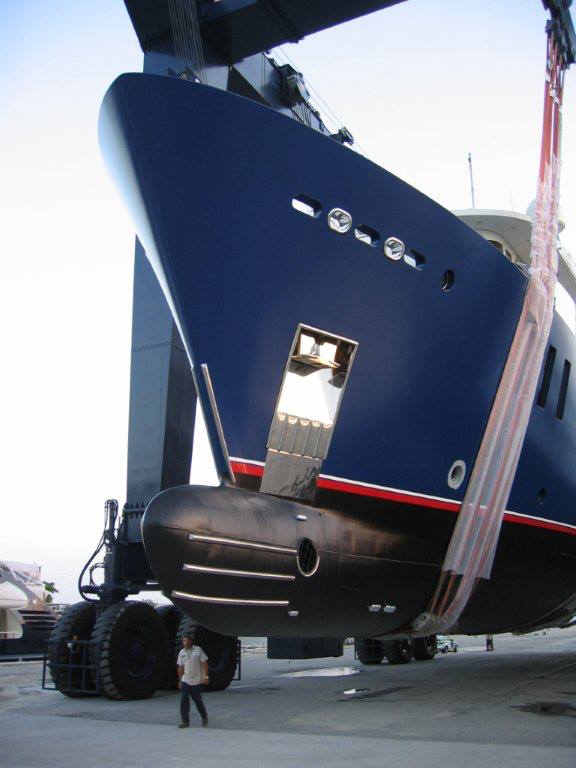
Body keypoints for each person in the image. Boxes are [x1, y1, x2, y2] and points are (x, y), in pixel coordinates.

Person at [177, 633, 209, 728]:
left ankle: (204, 716)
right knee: (184, 699)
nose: (185, 642)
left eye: (187, 640)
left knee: (197, 700)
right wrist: (180, 680)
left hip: (197, 680)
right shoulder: (182, 652)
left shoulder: (198, 650)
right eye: (184, 641)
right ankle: (185, 721)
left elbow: (204, 663)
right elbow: (180, 667)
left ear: (191, 641)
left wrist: (206, 677)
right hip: (186, 679)